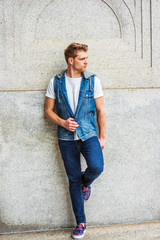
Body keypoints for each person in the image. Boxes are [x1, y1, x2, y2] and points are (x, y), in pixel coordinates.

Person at [45, 42, 106, 239]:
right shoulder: (55, 82)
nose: (86, 62)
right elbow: (47, 111)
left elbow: (100, 111)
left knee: (96, 167)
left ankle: (85, 183)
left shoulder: (92, 81)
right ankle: (81, 223)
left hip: (88, 135)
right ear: (71, 61)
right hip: (66, 138)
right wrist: (63, 122)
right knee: (72, 180)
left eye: (86, 58)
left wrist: (102, 136)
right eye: (82, 59)